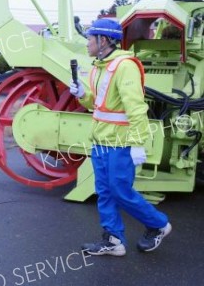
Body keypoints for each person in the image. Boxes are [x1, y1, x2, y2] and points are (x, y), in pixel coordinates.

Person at [69, 18, 171, 257]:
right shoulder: (98, 67)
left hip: (121, 144)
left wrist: (137, 143)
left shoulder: (124, 66)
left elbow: (136, 108)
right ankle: (114, 240)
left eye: (90, 38)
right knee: (104, 191)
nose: (87, 43)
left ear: (103, 40)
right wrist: (83, 94)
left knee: (119, 191)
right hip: (101, 142)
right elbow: (99, 104)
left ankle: (158, 225)